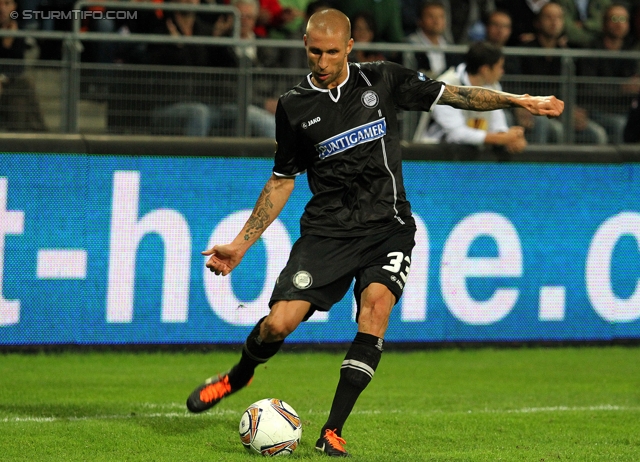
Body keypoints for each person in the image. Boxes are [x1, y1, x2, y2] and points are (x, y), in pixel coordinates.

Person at [185, 8, 563, 457]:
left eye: (330, 52)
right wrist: (241, 244)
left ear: (349, 47)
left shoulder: (382, 79)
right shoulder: (294, 105)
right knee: (277, 324)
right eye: (313, 51)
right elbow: (282, 179)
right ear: (304, 46)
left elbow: (455, 95)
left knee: (375, 310)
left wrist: (516, 100)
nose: (321, 61)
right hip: (327, 231)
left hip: (389, 226)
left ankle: (332, 430)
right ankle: (239, 375)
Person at [520, 2, 608, 143]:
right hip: (534, 110)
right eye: (548, 17)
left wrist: (577, 109)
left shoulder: (568, 54)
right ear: (537, 22)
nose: (554, 22)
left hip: (562, 110)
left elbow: (579, 89)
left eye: (559, 17)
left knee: (596, 134)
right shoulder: (524, 51)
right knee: (557, 130)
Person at [420, 41, 527, 153]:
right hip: (437, 157)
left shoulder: (493, 85)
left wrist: (511, 138)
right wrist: (501, 138)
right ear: (485, 70)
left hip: (473, 155)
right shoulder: (447, 86)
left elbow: (498, 124)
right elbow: (456, 134)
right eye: (499, 67)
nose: (502, 72)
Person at [577, 3, 640, 144]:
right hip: (596, 110)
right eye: (615, 19)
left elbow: (633, 85)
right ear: (604, 23)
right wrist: (620, 89)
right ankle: (619, 166)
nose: (619, 24)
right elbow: (590, 88)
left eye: (623, 20)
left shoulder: (630, 51)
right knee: (620, 124)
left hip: (625, 109)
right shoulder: (591, 50)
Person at [0, 0, 47, 132]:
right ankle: (41, 131)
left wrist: (2, 78)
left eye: (6, 3)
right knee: (24, 85)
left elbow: (17, 66)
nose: (1, 8)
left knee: (19, 96)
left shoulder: (19, 31)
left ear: (14, 7)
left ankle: (19, 138)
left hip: (8, 83)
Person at [407, 0, 453, 78]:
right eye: (431, 16)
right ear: (420, 20)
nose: (436, 21)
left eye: (440, 17)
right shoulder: (409, 44)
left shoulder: (450, 47)